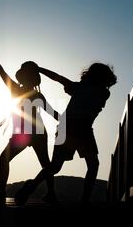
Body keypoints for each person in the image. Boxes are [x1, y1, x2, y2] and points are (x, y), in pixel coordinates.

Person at [15, 62, 117, 205]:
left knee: (56, 166)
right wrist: (40, 69)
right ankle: (84, 201)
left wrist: (40, 69)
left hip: (70, 128)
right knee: (92, 165)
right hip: (82, 129)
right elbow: (59, 78)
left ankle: (31, 186)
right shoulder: (103, 92)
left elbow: (58, 78)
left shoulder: (81, 88)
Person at [0, 51, 59, 203]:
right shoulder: (37, 94)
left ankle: (1, 191)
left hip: (26, 133)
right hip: (37, 132)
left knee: (5, 158)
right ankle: (50, 193)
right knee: (46, 164)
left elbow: (1, 72)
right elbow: (54, 114)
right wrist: (66, 121)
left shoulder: (17, 89)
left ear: (23, 76)